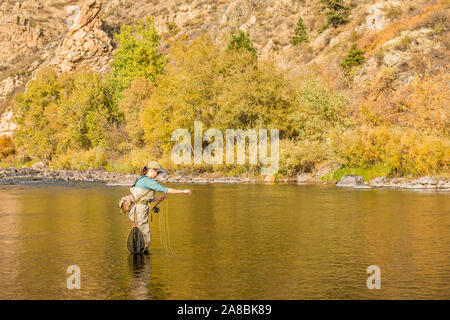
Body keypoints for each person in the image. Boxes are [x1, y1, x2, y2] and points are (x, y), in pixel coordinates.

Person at [129, 161, 191, 252]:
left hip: (137, 209)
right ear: (151, 170)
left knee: (140, 232)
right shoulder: (148, 181)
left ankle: (138, 252)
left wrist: (158, 198)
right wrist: (183, 191)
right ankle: (142, 253)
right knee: (144, 233)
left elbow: (143, 197)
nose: (157, 175)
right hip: (140, 210)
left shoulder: (140, 179)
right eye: (157, 172)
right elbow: (165, 190)